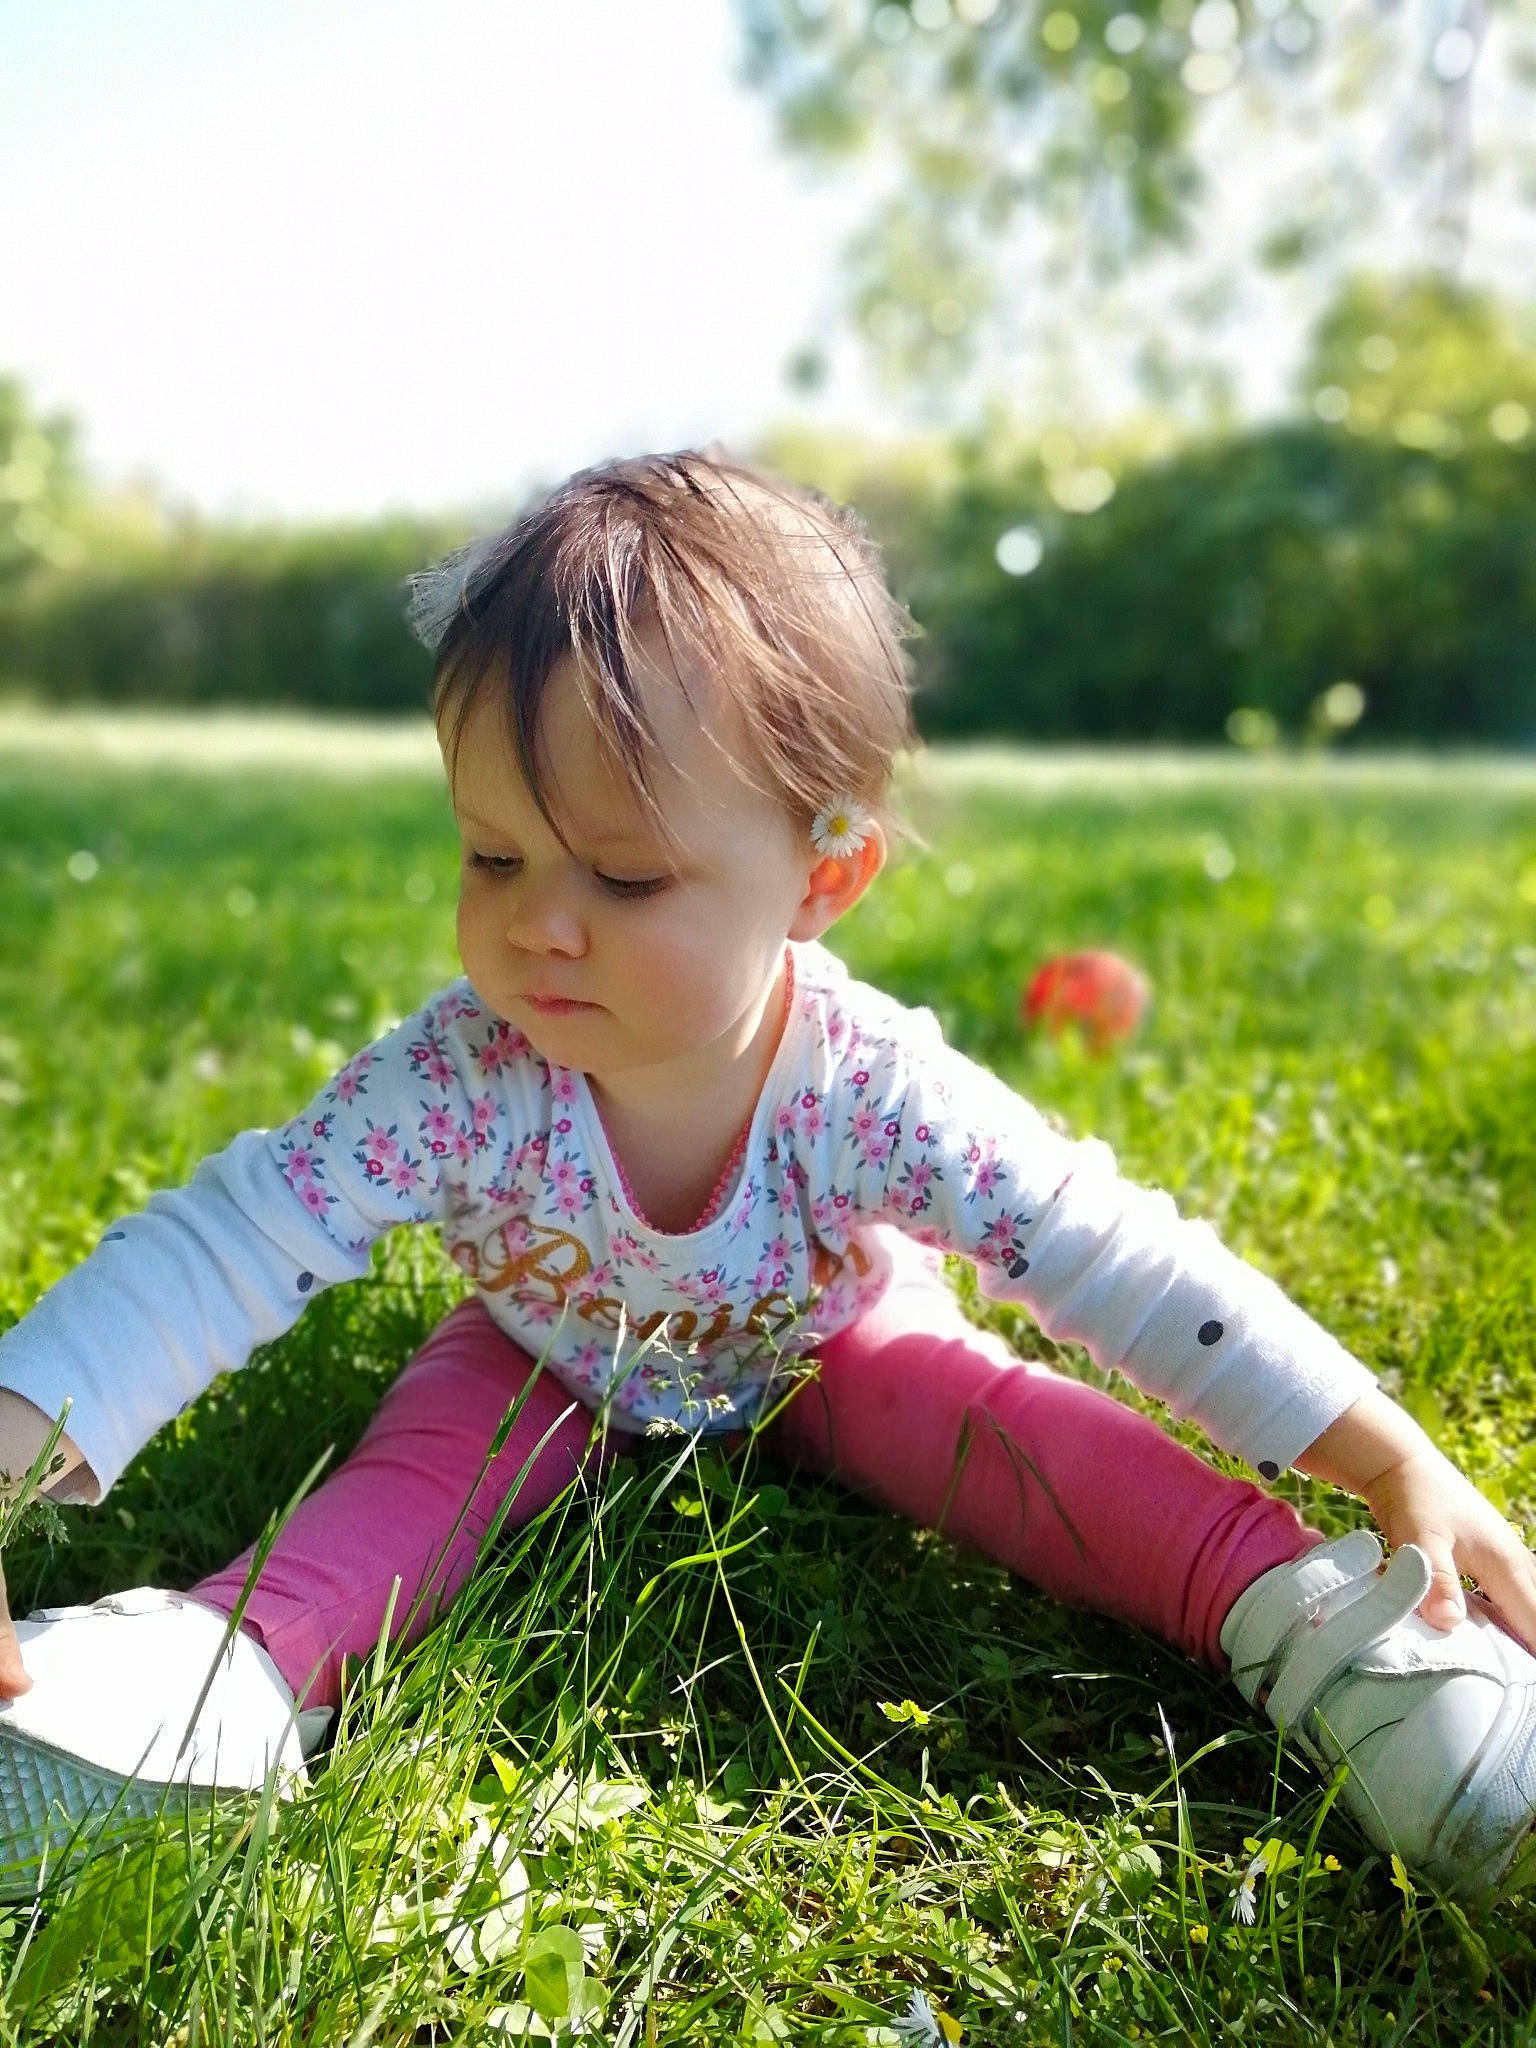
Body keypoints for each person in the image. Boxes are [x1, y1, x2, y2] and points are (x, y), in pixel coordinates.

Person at [0, 449, 1533, 1908]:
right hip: (546, 1357)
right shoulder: (461, 1081)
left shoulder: (862, 1085)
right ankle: (209, 1677)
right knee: (415, 1481)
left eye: (625, 877)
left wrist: (1379, 1450)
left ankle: (1315, 1624)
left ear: (821, 877)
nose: (541, 926)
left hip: (835, 1343)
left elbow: (1106, 1254)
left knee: (1007, 1429)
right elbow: (222, 1244)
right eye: (492, 856)